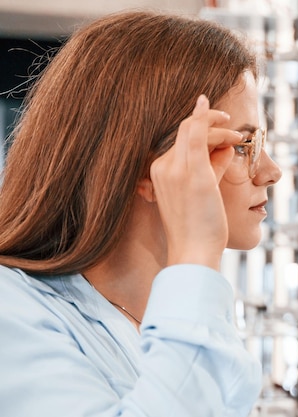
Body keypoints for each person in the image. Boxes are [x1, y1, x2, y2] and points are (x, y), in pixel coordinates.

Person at [0, 10, 281, 417]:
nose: (272, 172)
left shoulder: (169, 314)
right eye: (242, 146)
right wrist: (196, 255)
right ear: (146, 168)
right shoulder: (12, 311)